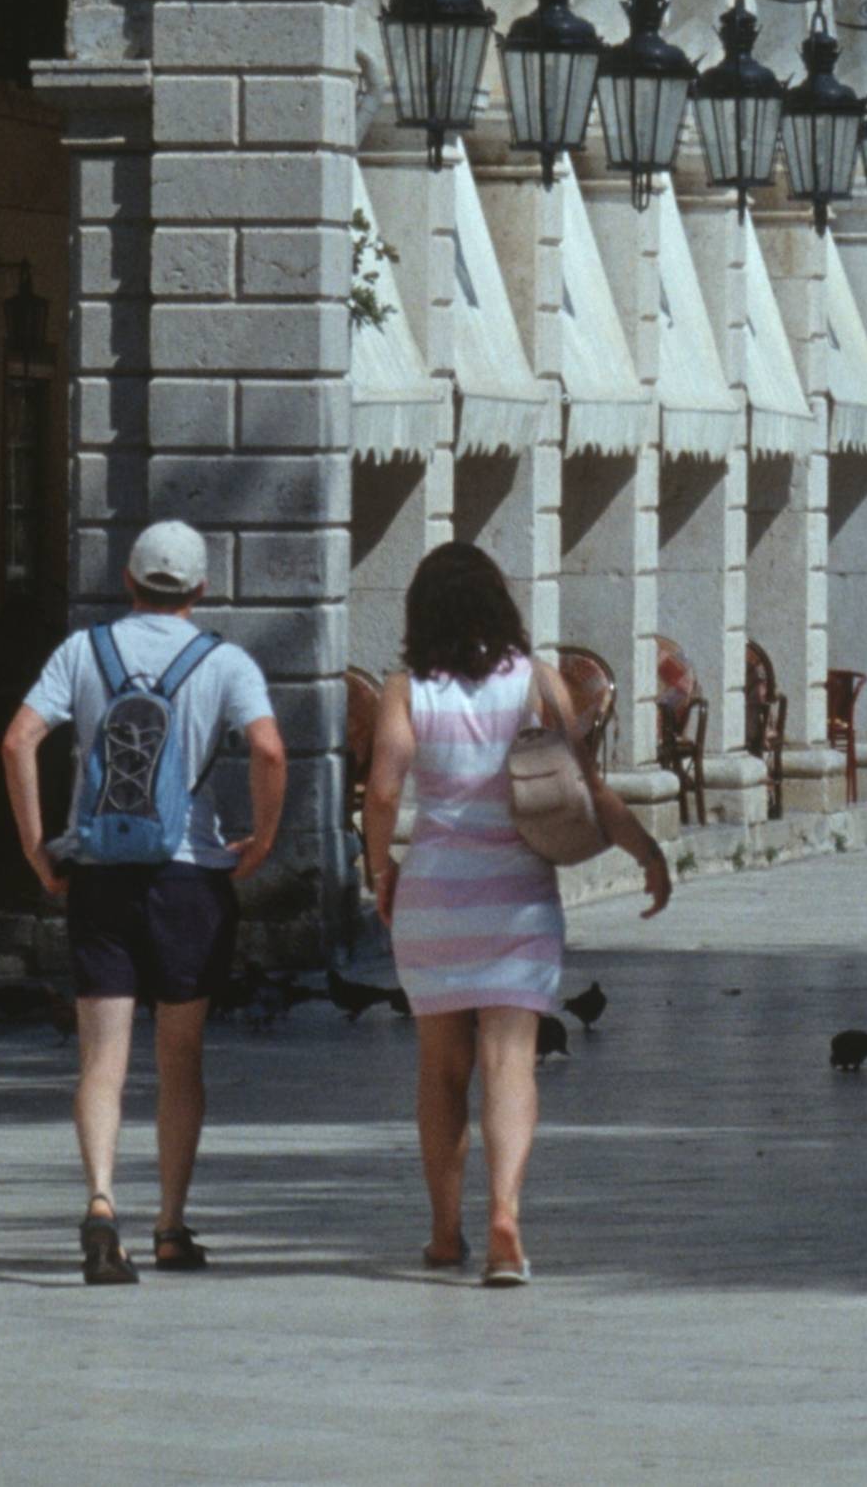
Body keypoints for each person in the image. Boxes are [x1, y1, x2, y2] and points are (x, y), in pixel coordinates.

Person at [359, 542, 668, 1285]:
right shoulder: (538, 683)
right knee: (508, 1063)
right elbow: (590, 788)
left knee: (440, 1071)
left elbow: (382, 791)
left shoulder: (406, 690)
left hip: (434, 897)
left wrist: (380, 872)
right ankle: (505, 1215)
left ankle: (442, 1232)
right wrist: (647, 853)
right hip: (519, 900)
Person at [0, 519, 284, 1285]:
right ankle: (169, 1225)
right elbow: (267, 748)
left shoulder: (82, 652)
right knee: (180, 1058)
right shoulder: (225, 662)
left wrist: (38, 849)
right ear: (198, 589)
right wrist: (259, 840)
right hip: (190, 876)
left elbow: (18, 739)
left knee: (102, 1059)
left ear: (128, 582)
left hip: (100, 874)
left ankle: (99, 1203)